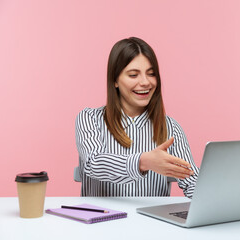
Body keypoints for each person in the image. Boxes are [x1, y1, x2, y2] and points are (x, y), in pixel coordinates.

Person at [75, 37, 199, 198]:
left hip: (151, 222)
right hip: (101, 221)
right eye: (133, 75)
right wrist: (144, 161)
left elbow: (192, 180)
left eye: (151, 74)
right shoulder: (89, 118)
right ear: (115, 81)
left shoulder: (170, 127)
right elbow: (94, 164)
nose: (145, 82)